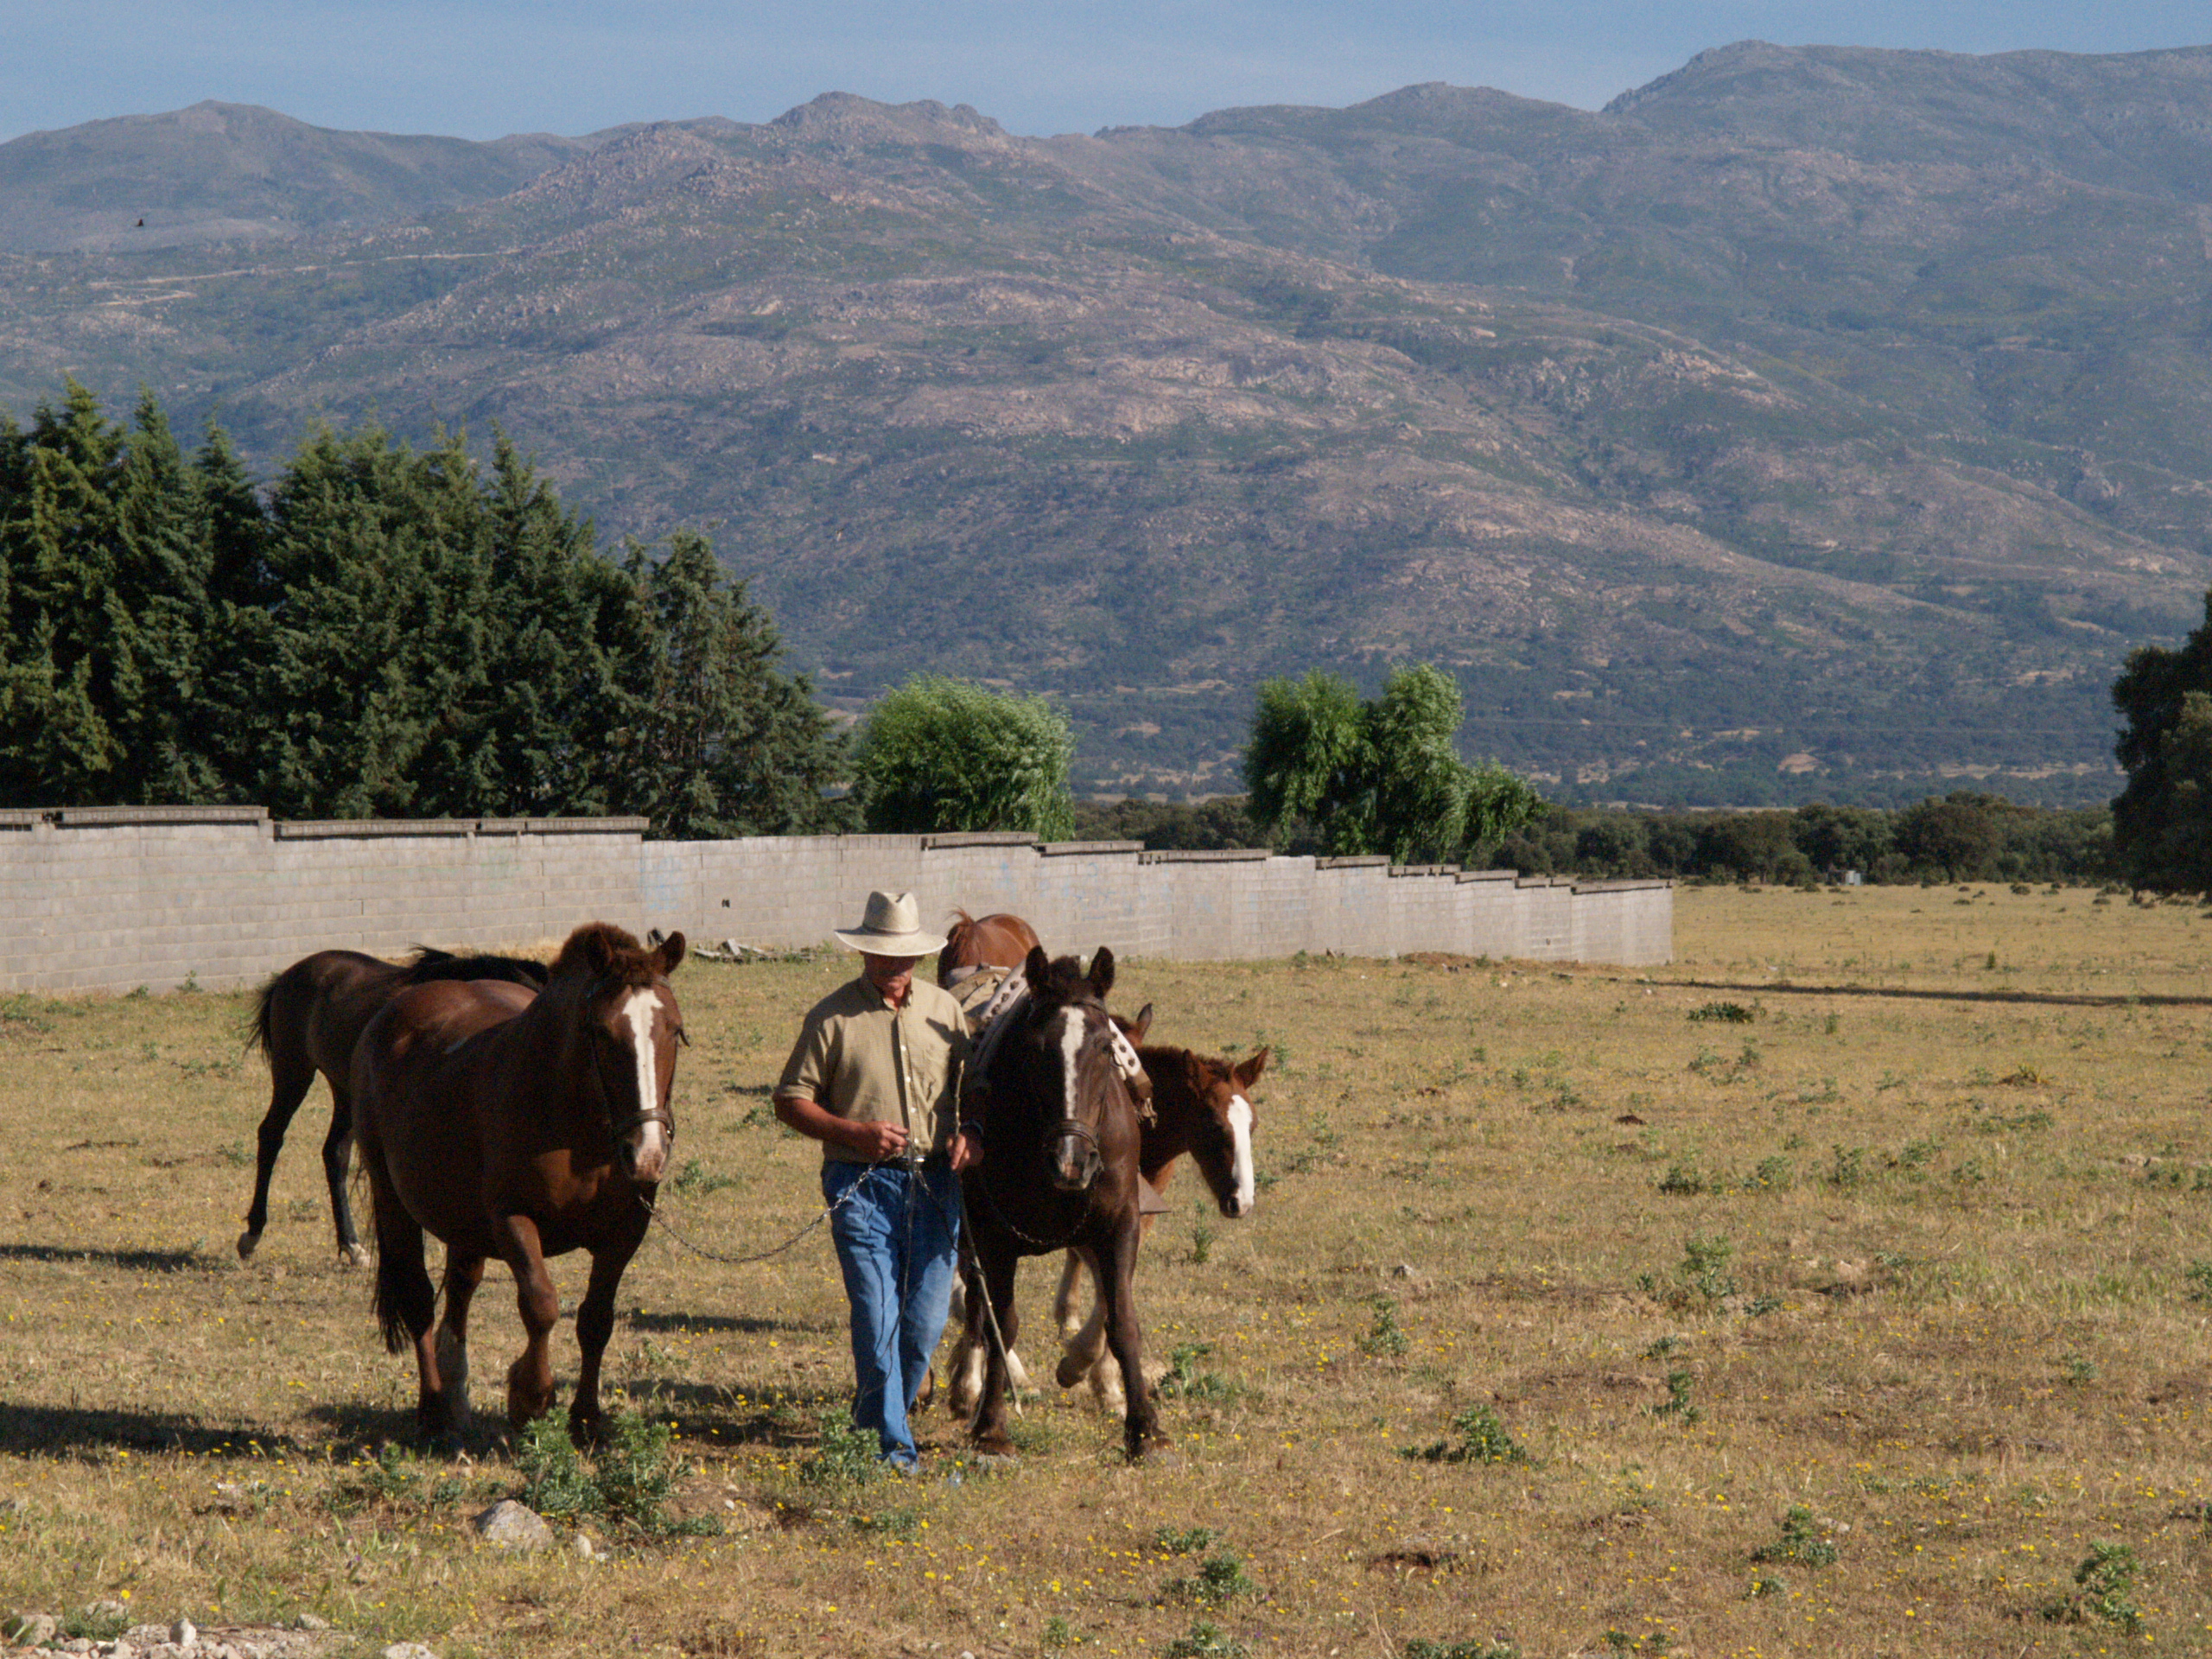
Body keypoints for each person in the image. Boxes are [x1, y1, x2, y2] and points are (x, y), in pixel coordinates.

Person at [773, 889, 980, 1471]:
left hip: (938, 1185)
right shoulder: (831, 1018)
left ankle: (872, 1420)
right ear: (863, 954)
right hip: (860, 1185)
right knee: (876, 1316)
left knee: (923, 1325)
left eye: (906, 955)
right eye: (884, 954)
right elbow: (789, 1101)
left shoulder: (945, 1010)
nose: (896, 965)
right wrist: (853, 1132)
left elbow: (973, 1088)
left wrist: (975, 1131)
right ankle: (892, 1449)